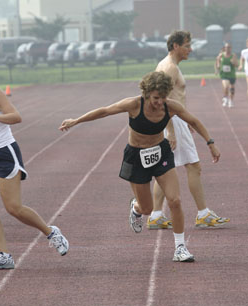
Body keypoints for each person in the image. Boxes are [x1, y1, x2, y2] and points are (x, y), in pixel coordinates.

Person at [59, 71, 221, 263]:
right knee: (147, 208)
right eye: (155, 98)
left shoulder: (170, 107)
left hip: (161, 153)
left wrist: (211, 143)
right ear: (146, 93)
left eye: (163, 97)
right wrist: (76, 121)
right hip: (136, 157)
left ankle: (180, 247)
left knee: (175, 200)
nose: (159, 102)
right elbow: (104, 111)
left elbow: (194, 121)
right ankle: (136, 208)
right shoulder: (134, 104)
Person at [0, 64, 69, 270]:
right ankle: (4, 255)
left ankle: (50, 231)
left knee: (13, 208)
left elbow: (16, 117)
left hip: (4, 154)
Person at [147, 31, 230, 231]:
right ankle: (203, 214)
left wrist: (187, 122)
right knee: (193, 166)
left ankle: (156, 215)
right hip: (172, 121)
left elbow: (173, 98)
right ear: (175, 46)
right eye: (187, 45)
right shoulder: (169, 68)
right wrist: (172, 130)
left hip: (176, 121)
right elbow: (160, 100)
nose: (190, 49)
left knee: (164, 169)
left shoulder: (168, 65)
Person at [216, 42, 238, 108]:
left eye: (229, 47)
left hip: (231, 75)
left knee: (232, 89)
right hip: (224, 74)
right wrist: (218, 65)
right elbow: (217, 60)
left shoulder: (233, 55)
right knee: (226, 86)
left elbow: (236, 65)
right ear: (224, 48)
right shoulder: (221, 55)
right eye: (226, 47)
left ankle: (230, 101)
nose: (227, 49)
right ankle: (225, 97)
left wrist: (233, 62)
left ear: (231, 48)